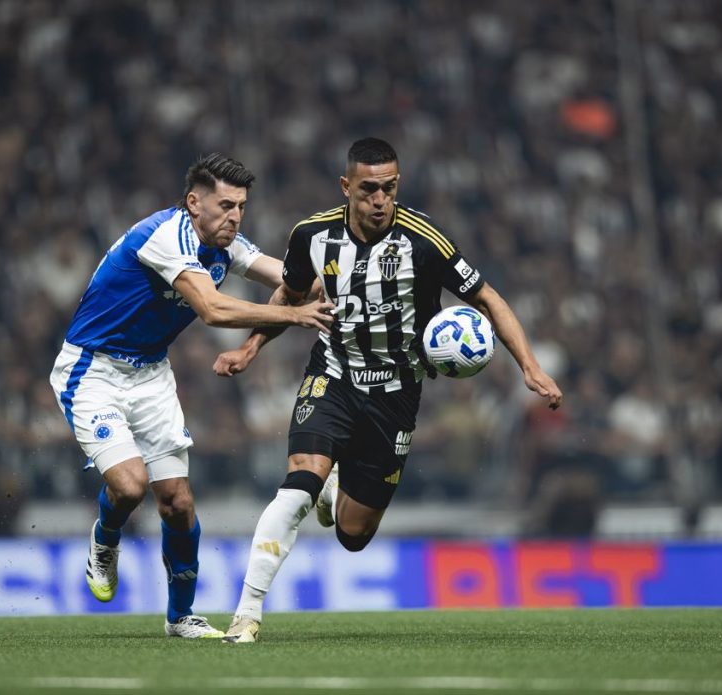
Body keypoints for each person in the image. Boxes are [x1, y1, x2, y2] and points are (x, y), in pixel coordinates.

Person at [213, 138, 563, 643]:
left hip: (397, 395)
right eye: (370, 189)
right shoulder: (311, 235)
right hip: (332, 375)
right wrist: (251, 349)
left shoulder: (426, 241)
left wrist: (529, 366)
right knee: (298, 487)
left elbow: (487, 297)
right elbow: (288, 294)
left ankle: (337, 485)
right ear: (347, 187)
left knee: (354, 535)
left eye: (390, 188)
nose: (381, 199)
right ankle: (247, 613)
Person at [48, 153, 334, 639]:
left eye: (241, 206)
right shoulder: (166, 236)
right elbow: (213, 309)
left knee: (178, 502)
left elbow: (294, 278)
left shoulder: (228, 246)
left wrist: (341, 286)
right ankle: (106, 535)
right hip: (92, 370)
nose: (235, 216)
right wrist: (294, 316)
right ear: (193, 202)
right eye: (225, 205)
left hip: (151, 375)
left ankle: (180, 617)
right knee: (131, 486)